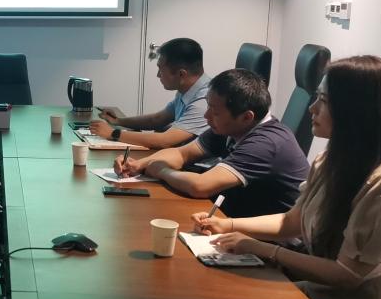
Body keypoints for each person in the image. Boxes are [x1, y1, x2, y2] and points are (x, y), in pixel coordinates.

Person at [194, 56, 381, 299]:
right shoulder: (331, 160)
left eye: (323, 101)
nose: (312, 108)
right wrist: (227, 225)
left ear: (356, 111)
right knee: (217, 294)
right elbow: (292, 221)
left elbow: (347, 275)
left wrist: (261, 248)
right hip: (321, 294)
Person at [115, 68, 309, 217]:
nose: (207, 116)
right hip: (234, 217)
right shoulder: (231, 128)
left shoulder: (265, 143)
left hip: (270, 243)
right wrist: (140, 164)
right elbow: (182, 153)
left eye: (215, 112)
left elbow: (200, 186)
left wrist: (162, 171)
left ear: (246, 117)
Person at [89, 38, 210, 148]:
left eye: (161, 69)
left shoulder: (203, 101)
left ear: (181, 74)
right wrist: (118, 121)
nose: (158, 75)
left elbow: (165, 140)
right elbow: (157, 119)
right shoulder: (187, 90)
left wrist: (112, 133)